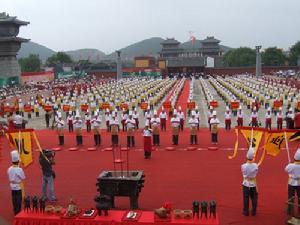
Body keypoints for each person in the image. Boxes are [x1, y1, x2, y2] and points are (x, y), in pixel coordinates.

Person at [7, 150, 25, 215]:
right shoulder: (19, 169)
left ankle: (15, 211)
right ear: (18, 161)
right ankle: (18, 213)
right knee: (18, 201)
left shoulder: (9, 168)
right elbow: (23, 177)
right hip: (18, 187)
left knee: (14, 200)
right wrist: (20, 168)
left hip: (12, 186)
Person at [241, 148, 258, 216]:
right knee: (254, 198)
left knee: (246, 198)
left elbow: (244, 174)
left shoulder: (243, 166)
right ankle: (254, 211)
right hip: (253, 183)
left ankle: (246, 212)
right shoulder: (256, 165)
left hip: (246, 183)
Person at [285, 148, 300, 215]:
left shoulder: (290, 165)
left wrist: (290, 165)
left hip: (291, 182)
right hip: (299, 183)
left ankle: (290, 211)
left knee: (290, 197)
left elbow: (286, 170)